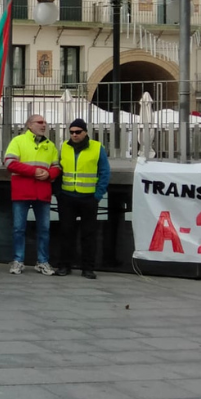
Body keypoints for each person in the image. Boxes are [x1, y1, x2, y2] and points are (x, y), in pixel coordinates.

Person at [4, 115, 60, 275]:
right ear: (29, 125)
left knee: (44, 229)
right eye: (39, 122)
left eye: (45, 123)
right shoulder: (18, 141)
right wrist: (34, 171)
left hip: (42, 192)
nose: (44, 125)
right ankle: (18, 261)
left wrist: (49, 174)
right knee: (18, 228)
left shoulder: (50, 145)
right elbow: (9, 163)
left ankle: (42, 261)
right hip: (23, 191)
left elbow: (57, 166)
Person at [55, 118, 110, 279]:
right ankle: (64, 266)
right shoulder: (64, 147)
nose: (74, 135)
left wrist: (98, 195)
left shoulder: (97, 148)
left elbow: (105, 172)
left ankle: (88, 268)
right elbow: (58, 169)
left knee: (88, 234)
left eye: (78, 132)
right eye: (71, 132)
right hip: (67, 197)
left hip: (88, 198)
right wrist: (58, 193)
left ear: (85, 132)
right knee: (66, 233)